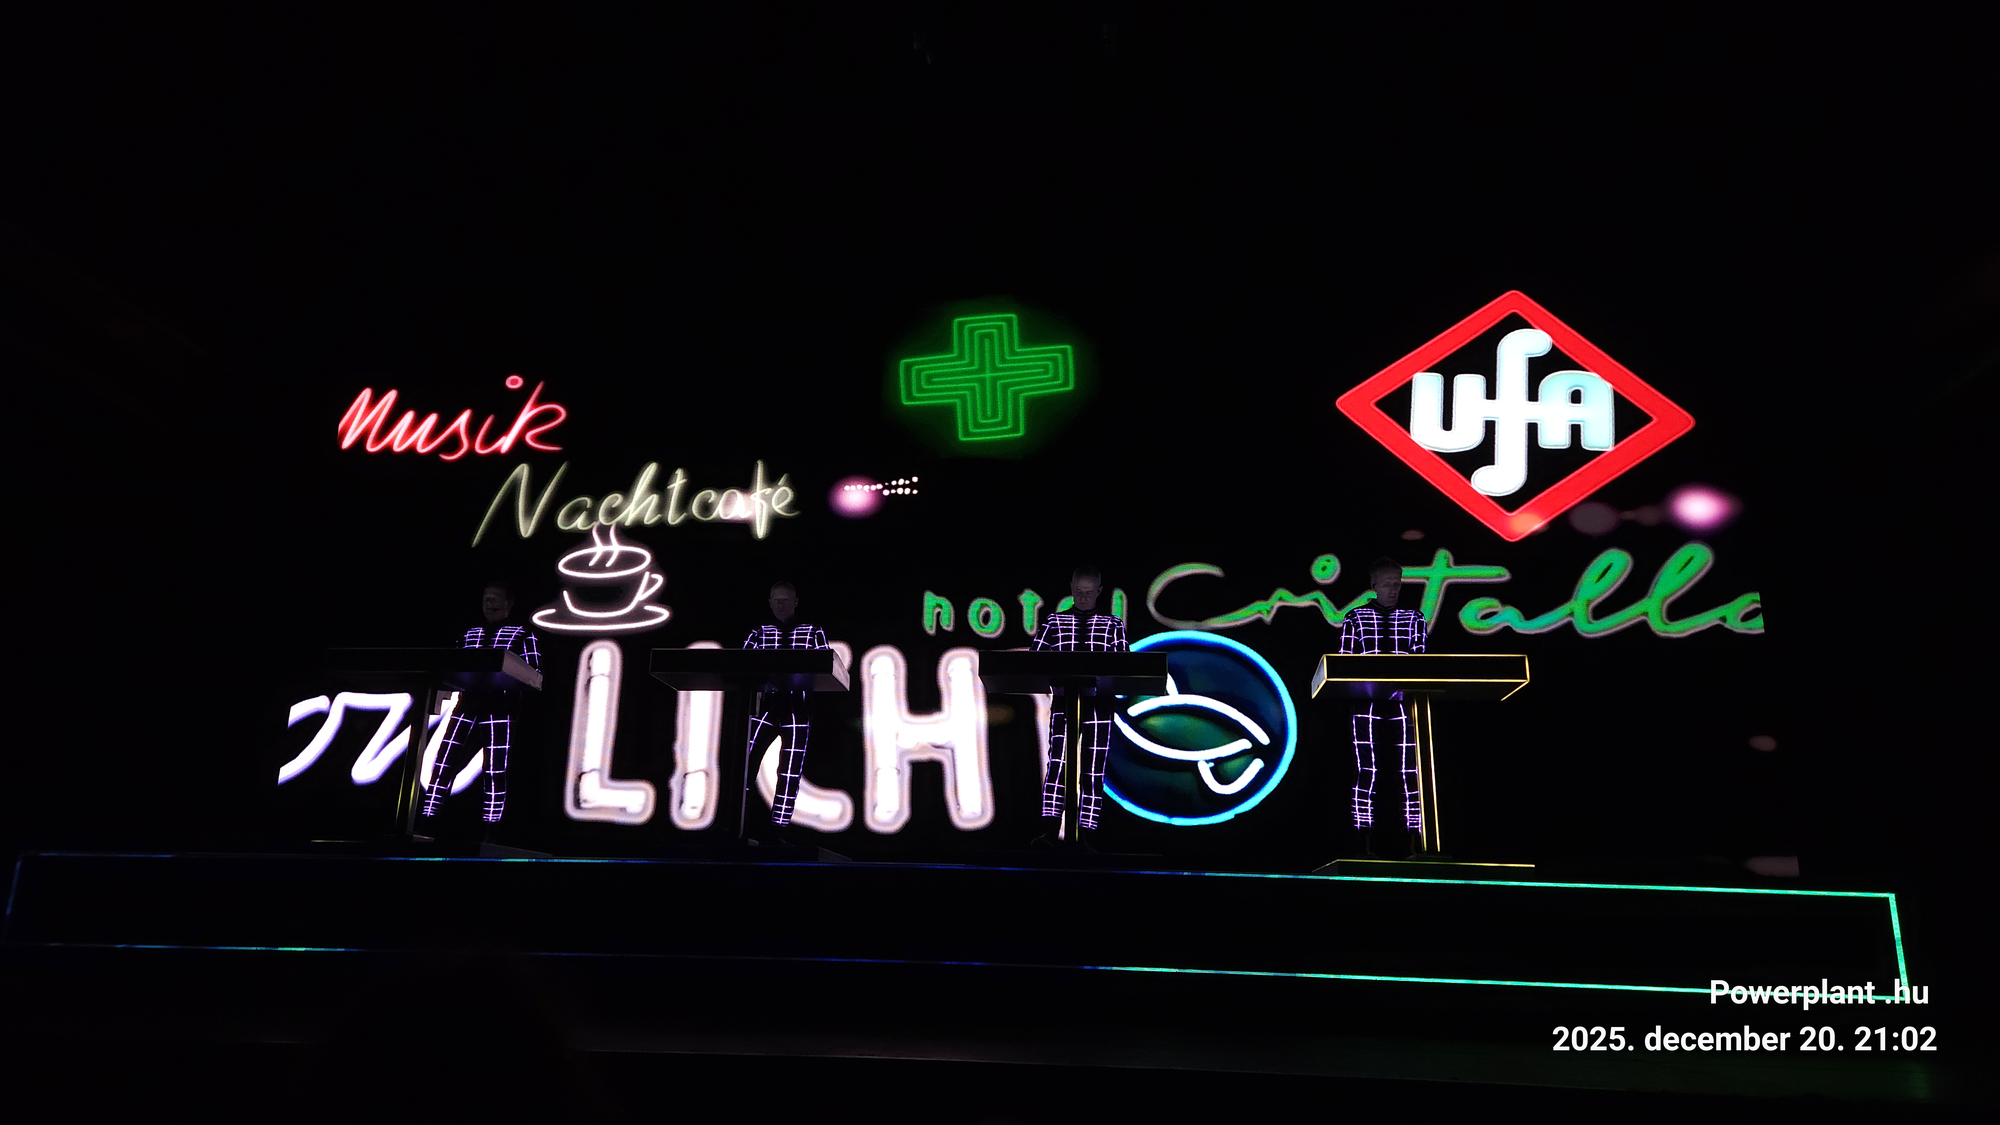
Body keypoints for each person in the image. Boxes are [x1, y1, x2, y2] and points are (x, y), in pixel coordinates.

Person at [422, 580, 542, 826]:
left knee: (496, 767)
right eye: (486, 598)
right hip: (466, 703)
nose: (489, 602)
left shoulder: (522, 635)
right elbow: (450, 667)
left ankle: (491, 823)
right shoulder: (469, 634)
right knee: (444, 760)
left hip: (501, 706)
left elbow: (534, 675)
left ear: (509, 603)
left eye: (495, 598)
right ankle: (428, 816)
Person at [1031, 565, 1127, 847]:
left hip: (1099, 705)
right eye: (1079, 591)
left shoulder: (1112, 625)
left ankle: (1087, 835)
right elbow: (1033, 661)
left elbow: (1125, 666)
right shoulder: (1054, 622)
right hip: (1064, 703)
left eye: (1089, 592)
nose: (1083, 597)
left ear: (1099, 592)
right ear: (1071, 589)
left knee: (1093, 771)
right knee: (1057, 766)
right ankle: (1050, 831)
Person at [1341, 557, 1427, 858]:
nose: (1394, 589)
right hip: (1366, 704)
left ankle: (1416, 842)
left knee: (1410, 772)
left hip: (1405, 705)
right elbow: (1343, 666)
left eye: (1398, 584)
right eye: (1388, 584)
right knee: (1367, 771)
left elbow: (1423, 664)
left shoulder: (1414, 619)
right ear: (1374, 585)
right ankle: (1362, 843)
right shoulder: (1355, 618)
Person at [742, 581, 830, 842]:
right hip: (765, 706)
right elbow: (740, 663)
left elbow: (826, 665)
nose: (780, 605)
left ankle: (778, 831)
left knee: (790, 772)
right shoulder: (760, 632)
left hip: (797, 708)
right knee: (745, 766)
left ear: (795, 602)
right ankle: (739, 824)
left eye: (785, 600)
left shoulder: (812, 631)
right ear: (770, 603)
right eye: (776, 600)